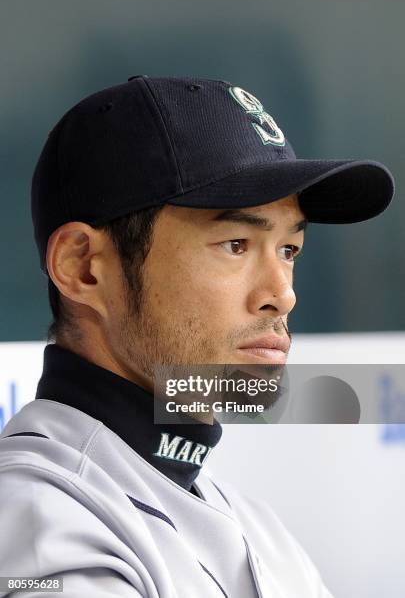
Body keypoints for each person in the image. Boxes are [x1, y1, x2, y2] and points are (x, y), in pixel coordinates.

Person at [0, 76, 394, 597]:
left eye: (288, 251)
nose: (283, 294)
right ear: (84, 267)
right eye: (235, 243)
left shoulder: (255, 527)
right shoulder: (41, 520)